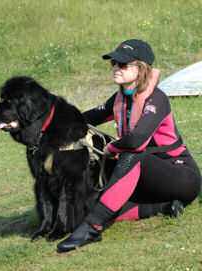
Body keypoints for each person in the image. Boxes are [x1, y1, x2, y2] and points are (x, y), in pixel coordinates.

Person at [57, 39, 202, 253]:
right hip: (146, 182)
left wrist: (112, 148)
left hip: (181, 177)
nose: (116, 68)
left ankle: (92, 228)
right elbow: (85, 118)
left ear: (141, 68)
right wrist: (47, 122)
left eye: (123, 64)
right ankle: (162, 208)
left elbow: (136, 141)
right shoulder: (119, 98)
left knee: (133, 155)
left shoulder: (157, 99)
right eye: (114, 63)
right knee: (90, 198)